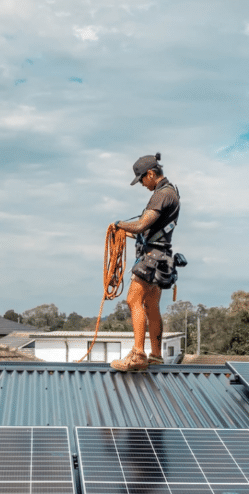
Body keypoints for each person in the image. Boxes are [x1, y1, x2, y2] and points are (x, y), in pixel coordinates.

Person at [110, 153, 180, 372]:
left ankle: (138, 355)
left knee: (133, 300)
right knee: (151, 305)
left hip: (151, 259)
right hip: (161, 256)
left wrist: (118, 224)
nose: (142, 184)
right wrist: (124, 232)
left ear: (151, 174)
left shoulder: (162, 194)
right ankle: (156, 356)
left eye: (141, 179)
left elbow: (141, 225)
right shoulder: (170, 193)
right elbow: (148, 231)